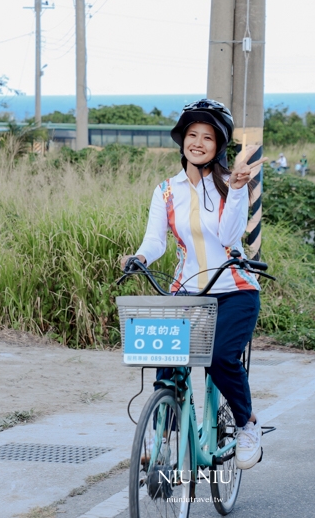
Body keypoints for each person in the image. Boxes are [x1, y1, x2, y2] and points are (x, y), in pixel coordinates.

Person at [121, 98, 268, 470]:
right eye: (192, 134)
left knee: (220, 359)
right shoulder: (166, 191)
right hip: (186, 291)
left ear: (218, 145)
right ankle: (160, 436)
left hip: (235, 289)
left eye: (208, 137)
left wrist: (235, 189)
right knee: (166, 363)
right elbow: (155, 240)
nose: (198, 142)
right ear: (181, 140)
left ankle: (247, 424)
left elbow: (228, 235)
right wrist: (140, 257)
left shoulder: (228, 186)